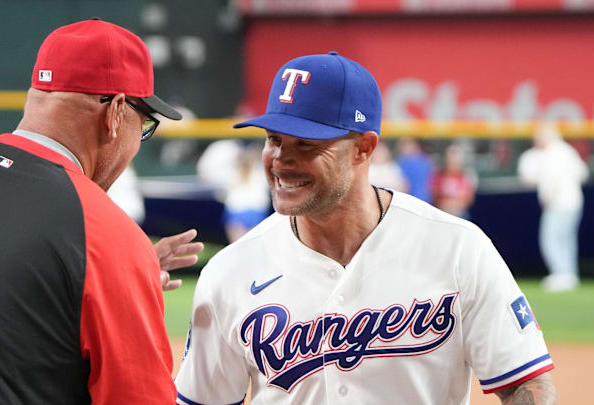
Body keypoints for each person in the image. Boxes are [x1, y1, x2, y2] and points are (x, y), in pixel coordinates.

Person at [174, 52, 555, 404]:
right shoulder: (229, 271)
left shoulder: (457, 248)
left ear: (364, 148)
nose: (281, 159)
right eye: (274, 139)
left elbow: (526, 382)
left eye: (306, 144)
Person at [0, 19, 203, 404]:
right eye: (143, 124)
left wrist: (102, 284)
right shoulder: (101, 231)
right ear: (115, 113)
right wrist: (115, 267)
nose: (138, 141)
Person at [518, 122, 589, 292]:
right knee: (566, 239)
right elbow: (583, 172)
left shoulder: (555, 152)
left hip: (560, 203)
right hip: (572, 202)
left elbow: (553, 178)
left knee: (551, 238)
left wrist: (550, 194)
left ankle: (561, 274)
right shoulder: (565, 151)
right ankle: (568, 274)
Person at [430, 144, 477, 219]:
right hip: (443, 212)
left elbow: (469, 197)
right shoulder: (439, 175)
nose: (452, 161)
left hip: (460, 214)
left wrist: (456, 205)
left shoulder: (465, 176)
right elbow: (434, 194)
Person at [397, 137, 433, 203]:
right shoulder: (426, 160)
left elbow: (404, 185)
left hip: (411, 200)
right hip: (425, 199)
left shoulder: (405, 161)